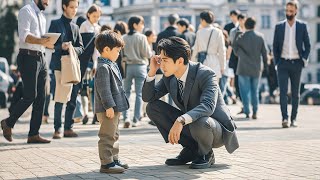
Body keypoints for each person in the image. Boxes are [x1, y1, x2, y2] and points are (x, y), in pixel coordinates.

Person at [143, 37, 239, 169]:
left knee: (200, 120)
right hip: (193, 124)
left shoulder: (206, 74)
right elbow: (148, 97)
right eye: (161, 60)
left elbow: (207, 106)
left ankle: (206, 153)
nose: (162, 65)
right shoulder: (169, 76)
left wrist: (180, 120)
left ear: (180, 60)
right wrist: (152, 71)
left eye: (165, 60)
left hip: (216, 129)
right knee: (152, 107)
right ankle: (192, 149)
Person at [1, 0, 52, 143]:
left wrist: (48, 42)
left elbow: (40, 39)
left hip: (41, 58)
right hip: (28, 57)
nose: (48, 2)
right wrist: (42, 41)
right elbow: (25, 36)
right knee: (30, 95)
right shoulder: (26, 11)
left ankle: (33, 134)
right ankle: (8, 122)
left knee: (42, 97)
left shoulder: (42, 16)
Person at [94, 30, 129, 174]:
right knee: (107, 135)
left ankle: (114, 158)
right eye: (117, 50)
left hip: (115, 107)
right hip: (108, 108)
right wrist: (108, 106)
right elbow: (104, 90)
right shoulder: (103, 67)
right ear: (106, 49)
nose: (118, 54)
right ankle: (106, 163)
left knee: (114, 134)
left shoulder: (110, 64)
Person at [49, 0, 84, 139]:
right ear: (64, 6)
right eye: (72, 7)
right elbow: (49, 44)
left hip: (73, 67)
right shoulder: (55, 23)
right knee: (60, 98)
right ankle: (57, 129)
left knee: (73, 98)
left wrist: (71, 48)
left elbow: (81, 47)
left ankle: (68, 128)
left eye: (76, 7)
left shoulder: (76, 27)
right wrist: (61, 47)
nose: (74, 10)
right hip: (59, 66)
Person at [273, 0, 310, 128]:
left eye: (291, 11)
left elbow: (308, 45)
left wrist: (303, 59)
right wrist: (276, 62)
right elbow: (275, 46)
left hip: (297, 63)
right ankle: (284, 118)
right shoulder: (279, 26)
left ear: (296, 11)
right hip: (282, 63)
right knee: (283, 92)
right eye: (287, 10)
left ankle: (293, 119)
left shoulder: (302, 26)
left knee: (295, 93)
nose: (288, 13)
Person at [233, 17, 268, 119]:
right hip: (256, 68)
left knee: (244, 91)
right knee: (255, 91)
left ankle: (247, 111)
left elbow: (235, 50)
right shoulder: (260, 37)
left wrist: (240, 54)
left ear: (245, 25)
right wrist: (265, 65)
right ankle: (255, 112)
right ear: (254, 25)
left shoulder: (240, 36)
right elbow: (264, 53)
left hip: (243, 67)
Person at [122, 16, 152, 128]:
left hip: (128, 67)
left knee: (126, 93)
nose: (142, 26)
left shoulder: (124, 37)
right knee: (139, 94)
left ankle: (126, 118)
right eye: (141, 24)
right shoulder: (142, 37)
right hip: (141, 67)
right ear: (135, 25)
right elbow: (148, 54)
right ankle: (135, 119)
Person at [79, 4, 102, 124]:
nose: (96, 18)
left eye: (98, 16)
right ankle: (85, 113)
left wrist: (95, 64)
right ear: (88, 14)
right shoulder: (83, 26)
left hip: (93, 62)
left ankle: (94, 114)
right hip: (84, 62)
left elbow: (96, 50)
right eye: (94, 16)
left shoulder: (98, 28)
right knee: (83, 88)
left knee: (93, 89)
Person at [192, 10, 226, 80]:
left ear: (203, 20)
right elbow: (222, 50)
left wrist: (193, 65)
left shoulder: (199, 32)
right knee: (214, 87)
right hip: (215, 62)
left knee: (203, 87)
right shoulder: (218, 32)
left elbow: (195, 50)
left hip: (202, 62)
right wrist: (223, 66)